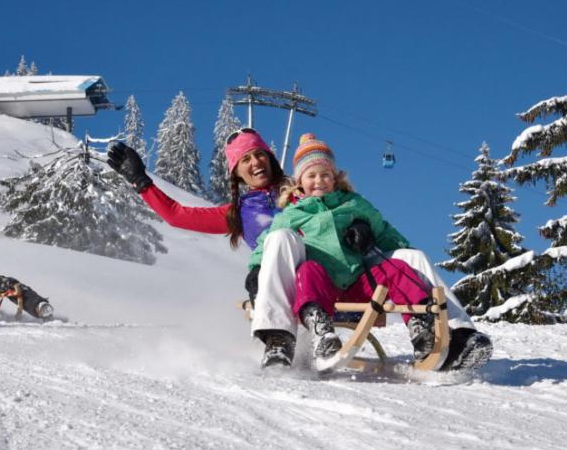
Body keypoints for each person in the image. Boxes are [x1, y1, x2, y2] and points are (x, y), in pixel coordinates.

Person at [107, 131, 492, 370]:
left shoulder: (312, 185)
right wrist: (143, 183)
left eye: (259, 154)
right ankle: (277, 339)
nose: (255, 162)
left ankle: (456, 336)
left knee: (411, 257)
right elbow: (176, 215)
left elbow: (351, 203)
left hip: (349, 274)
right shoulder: (237, 213)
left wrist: (362, 228)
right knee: (282, 238)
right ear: (236, 173)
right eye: (245, 160)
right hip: (299, 286)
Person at [248, 133, 445, 367]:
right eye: (311, 175)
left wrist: (381, 239)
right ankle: (321, 329)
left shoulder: (354, 204)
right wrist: (256, 269)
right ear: (300, 181)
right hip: (320, 287)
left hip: (357, 283)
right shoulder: (294, 213)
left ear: (335, 178)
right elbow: (268, 242)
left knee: (397, 268)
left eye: (325, 174)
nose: (319, 181)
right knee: (308, 269)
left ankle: (421, 328)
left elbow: (385, 231)